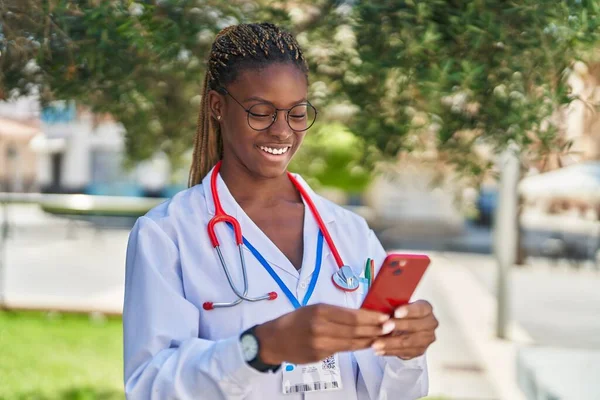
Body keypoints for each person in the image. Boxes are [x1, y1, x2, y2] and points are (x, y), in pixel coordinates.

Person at [123, 22, 438, 400]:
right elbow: (148, 387)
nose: (283, 132)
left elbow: (399, 391)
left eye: (297, 113)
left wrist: (406, 352)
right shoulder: (168, 234)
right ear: (218, 107)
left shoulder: (350, 234)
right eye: (261, 112)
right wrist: (260, 348)